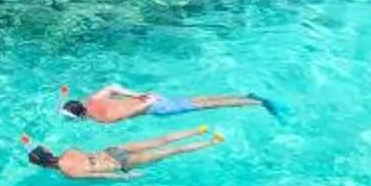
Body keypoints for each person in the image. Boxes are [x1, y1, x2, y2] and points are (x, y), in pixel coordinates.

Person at [22, 127, 224, 179]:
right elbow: (90, 155)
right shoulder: (69, 151)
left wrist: (127, 177)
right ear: (48, 151)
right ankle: (199, 130)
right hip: (113, 150)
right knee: (159, 140)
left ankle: (212, 141)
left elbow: (102, 175)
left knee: (171, 151)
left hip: (121, 164)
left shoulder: (69, 173)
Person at [61, 83, 272, 123]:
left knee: (205, 105)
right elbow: (112, 87)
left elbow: (128, 115)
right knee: (200, 99)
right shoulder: (93, 99)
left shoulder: (102, 118)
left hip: (155, 106)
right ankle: (246, 95)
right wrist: (137, 94)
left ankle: (257, 103)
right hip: (148, 98)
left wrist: (146, 103)